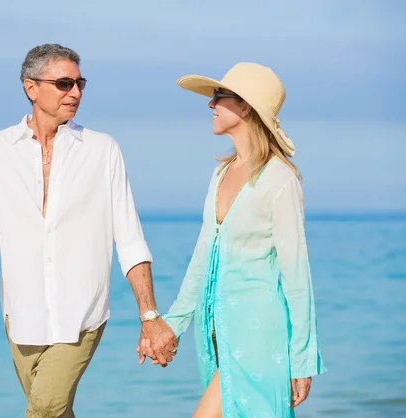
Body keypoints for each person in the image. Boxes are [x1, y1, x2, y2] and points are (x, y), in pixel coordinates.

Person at [0, 43, 177, 418]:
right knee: (55, 413)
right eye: (63, 83)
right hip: (21, 318)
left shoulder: (101, 150)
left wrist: (150, 316)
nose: (75, 93)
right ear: (31, 88)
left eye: (79, 83)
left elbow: (129, 238)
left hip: (81, 315)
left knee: (43, 409)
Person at [138, 62, 326, 417]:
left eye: (218, 97)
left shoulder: (280, 181)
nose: (210, 105)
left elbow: (297, 277)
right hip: (217, 336)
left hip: (260, 338)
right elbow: (201, 261)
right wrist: (170, 326)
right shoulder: (221, 174)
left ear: (244, 107)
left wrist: (302, 360)